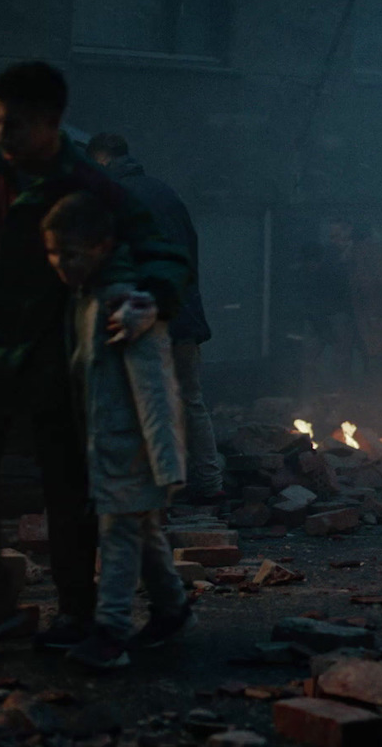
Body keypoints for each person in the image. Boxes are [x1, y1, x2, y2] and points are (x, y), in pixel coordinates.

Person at [0, 61, 189, 647]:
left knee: (66, 489)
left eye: (17, 125)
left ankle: (74, 611)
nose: (4, 136)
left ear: (53, 123)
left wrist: (151, 297)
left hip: (56, 355)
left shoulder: (88, 183)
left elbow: (156, 246)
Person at [41, 192, 194, 669]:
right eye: (53, 254)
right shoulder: (86, 298)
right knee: (142, 532)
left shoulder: (122, 304)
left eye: (70, 254)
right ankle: (172, 609)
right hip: (110, 446)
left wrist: (166, 461)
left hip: (132, 448)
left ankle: (111, 632)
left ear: (103, 246)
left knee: (120, 537)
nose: (60, 264)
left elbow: (154, 389)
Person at [86, 133, 224, 504]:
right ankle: (208, 481)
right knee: (190, 400)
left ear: (100, 162)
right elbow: (190, 255)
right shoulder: (166, 193)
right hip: (182, 315)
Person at [328, 221, 382, 378]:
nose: (335, 241)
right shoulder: (346, 258)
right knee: (362, 361)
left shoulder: (371, 256)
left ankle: (372, 396)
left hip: (375, 320)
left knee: (375, 362)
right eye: (333, 237)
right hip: (360, 318)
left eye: (338, 236)